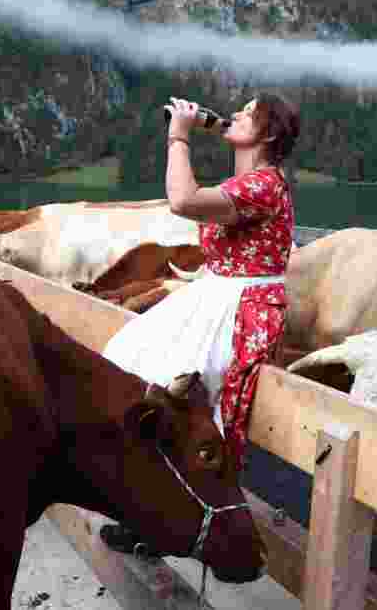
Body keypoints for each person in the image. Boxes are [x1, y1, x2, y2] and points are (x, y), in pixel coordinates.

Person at [100, 92, 300, 555]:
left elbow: (182, 200)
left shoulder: (266, 184)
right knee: (128, 360)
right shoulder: (248, 181)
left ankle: (189, 524)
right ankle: (154, 512)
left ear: (267, 134)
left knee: (189, 408)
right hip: (215, 295)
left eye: (250, 113)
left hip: (242, 308)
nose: (237, 114)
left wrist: (179, 134)